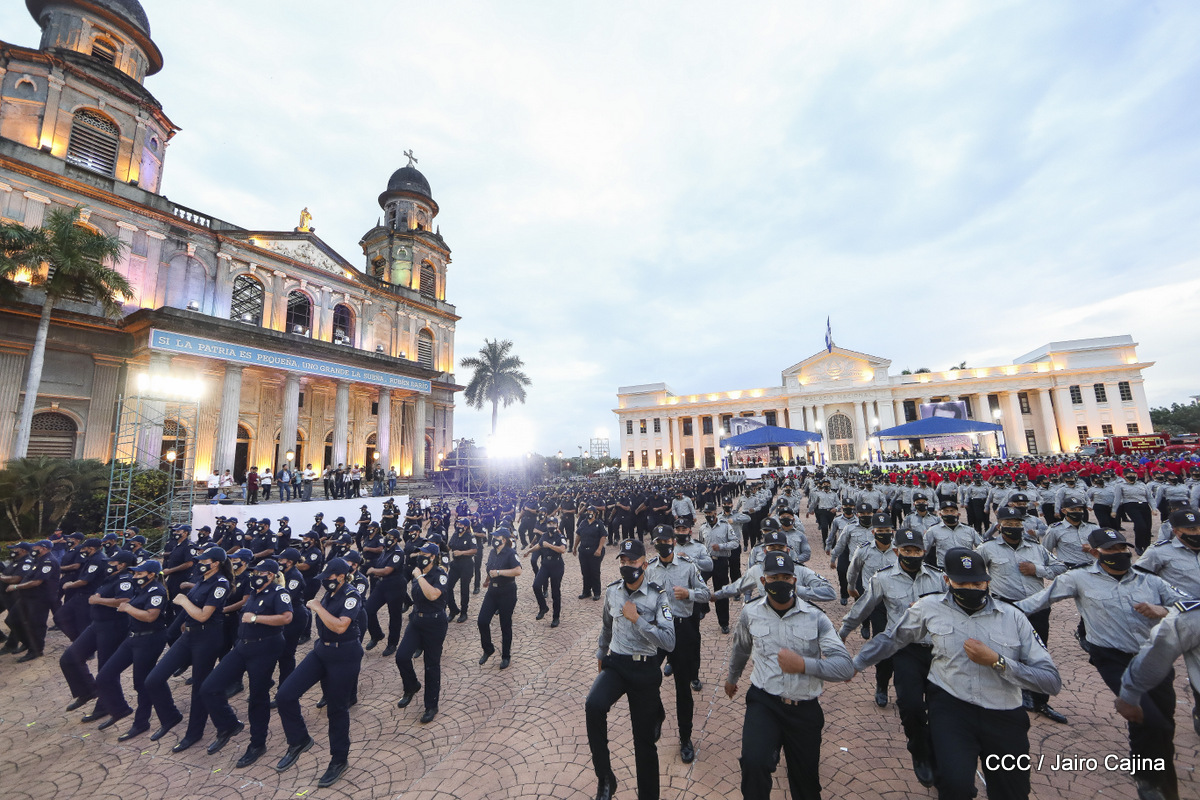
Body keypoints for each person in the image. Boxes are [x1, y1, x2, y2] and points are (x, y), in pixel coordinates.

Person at [854, 548, 1062, 800]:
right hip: (952, 708)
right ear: (947, 580)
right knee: (955, 786)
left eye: (978, 583)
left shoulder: (1013, 617)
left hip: (1004, 715)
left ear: (987, 582)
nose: (971, 589)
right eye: (962, 583)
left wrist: (998, 662)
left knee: (1012, 791)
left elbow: (1051, 681)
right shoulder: (929, 607)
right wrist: (855, 664)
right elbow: (892, 638)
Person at [1017, 529, 1188, 800]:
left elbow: (1189, 604)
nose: (1120, 554)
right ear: (1096, 553)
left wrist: (1164, 610)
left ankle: (1154, 776)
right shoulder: (1078, 578)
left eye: (1122, 548)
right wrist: (996, 612)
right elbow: (1037, 601)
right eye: (1112, 549)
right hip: (1113, 659)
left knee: (1163, 720)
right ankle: (1150, 781)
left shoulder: (1150, 581)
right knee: (1152, 720)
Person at [725, 550, 854, 800]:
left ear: (794, 580)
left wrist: (804, 665)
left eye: (786, 577)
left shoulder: (816, 617)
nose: (780, 582)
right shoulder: (750, 612)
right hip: (764, 701)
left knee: (806, 785)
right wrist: (732, 678)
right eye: (774, 578)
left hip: (804, 708)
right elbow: (741, 648)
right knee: (753, 763)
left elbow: (845, 667)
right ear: (763, 581)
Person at [837, 528, 943, 787]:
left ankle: (938, 753)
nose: (912, 555)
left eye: (916, 550)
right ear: (897, 551)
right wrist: (843, 632)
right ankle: (919, 751)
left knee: (941, 709)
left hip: (939, 650)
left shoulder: (939, 578)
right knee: (911, 705)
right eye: (906, 550)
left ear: (923, 551)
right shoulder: (883, 578)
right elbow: (863, 607)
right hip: (904, 649)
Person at [586, 539, 676, 800]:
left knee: (643, 742)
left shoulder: (658, 595)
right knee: (593, 705)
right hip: (617, 663)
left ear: (644, 564)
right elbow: (606, 625)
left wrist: (638, 620)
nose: (627, 566)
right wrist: (601, 653)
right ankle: (605, 777)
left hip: (645, 668)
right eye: (623, 561)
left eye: (632, 561)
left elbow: (669, 641)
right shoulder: (613, 591)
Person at [275, 557, 363, 788]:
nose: (325, 581)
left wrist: (318, 607)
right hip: (321, 651)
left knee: (337, 710)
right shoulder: (330, 593)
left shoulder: (352, 595)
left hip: (344, 655)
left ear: (342, 576)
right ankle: (299, 740)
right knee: (285, 695)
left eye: (329, 577)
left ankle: (339, 759)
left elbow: (341, 625)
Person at [976, 506, 1069, 723]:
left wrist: (1037, 570)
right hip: (1007, 607)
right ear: (999, 526)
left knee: (1038, 653)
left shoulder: (1036, 548)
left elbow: (1060, 567)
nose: (1014, 527)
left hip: (1037, 608)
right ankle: (1013, 696)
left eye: (1017, 524)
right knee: (1010, 651)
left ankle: (1040, 701)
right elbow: (973, 571)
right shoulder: (987, 548)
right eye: (1008, 524)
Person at [201, 559, 293, 767]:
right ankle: (229, 725)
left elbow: (286, 618)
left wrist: (255, 619)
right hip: (243, 646)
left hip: (264, 648)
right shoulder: (255, 591)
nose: (255, 575)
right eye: (254, 572)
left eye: (259, 572)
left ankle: (257, 744)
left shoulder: (279, 593)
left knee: (258, 698)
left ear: (270, 575)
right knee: (209, 687)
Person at [143, 547, 232, 752]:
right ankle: (170, 717)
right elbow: (194, 610)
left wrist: (183, 601)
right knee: (154, 679)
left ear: (216, 563)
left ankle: (194, 732)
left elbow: (203, 615)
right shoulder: (202, 579)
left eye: (204, 560)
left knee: (199, 688)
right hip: (189, 635)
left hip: (207, 637)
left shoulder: (221, 583)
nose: (200, 563)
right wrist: (183, 624)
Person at [646, 525, 709, 764]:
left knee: (683, 687)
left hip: (682, 630)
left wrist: (689, 593)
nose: (662, 544)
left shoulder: (688, 566)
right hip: (658, 631)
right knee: (647, 676)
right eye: (658, 541)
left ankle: (685, 738)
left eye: (666, 540)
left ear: (673, 541)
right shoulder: (649, 568)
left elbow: (706, 593)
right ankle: (657, 714)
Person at [93, 560, 170, 741]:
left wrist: (128, 608)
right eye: (135, 573)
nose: (135, 577)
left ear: (151, 575)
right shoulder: (140, 588)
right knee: (104, 675)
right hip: (133, 637)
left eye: (139, 573)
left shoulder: (157, 591)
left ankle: (141, 722)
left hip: (150, 639)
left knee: (141, 684)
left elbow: (151, 616)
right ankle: (119, 709)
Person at [395, 543, 449, 723]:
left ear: (433, 557)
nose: (420, 557)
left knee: (431, 665)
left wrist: (419, 577)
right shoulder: (418, 572)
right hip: (417, 621)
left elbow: (433, 595)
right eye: (419, 554)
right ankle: (411, 686)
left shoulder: (440, 575)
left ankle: (431, 706)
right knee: (402, 656)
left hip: (435, 623)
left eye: (424, 554)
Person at [5, 539, 60, 661]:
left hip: (40, 598)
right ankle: (27, 642)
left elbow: (36, 582)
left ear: (43, 548)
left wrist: (16, 586)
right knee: (12, 620)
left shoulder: (48, 562)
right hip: (27, 596)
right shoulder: (37, 560)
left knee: (36, 625)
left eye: (35, 547)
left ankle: (36, 650)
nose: (33, 549)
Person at [478, 528, 522, 669]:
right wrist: (487, 580)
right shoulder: (492, 552)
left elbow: (518, 570)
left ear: (504, 539)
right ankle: (488, 649)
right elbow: (490, 569)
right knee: (482, 621)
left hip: (507, 592)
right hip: (492, 591)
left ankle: (505, 656)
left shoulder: (510, 553)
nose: (494, 539)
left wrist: (499, 572)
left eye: (497, 537)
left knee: (505, 625)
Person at [365, 528, 409, 657]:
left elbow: (387, 570)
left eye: (390, 536)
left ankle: (392, 644)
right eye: (386, 536)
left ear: (396, 539)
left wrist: (373, 570)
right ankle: (377, 634)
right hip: (382, 585)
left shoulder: (397, 553)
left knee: (394, 616)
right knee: (368, 609)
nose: (387, 538)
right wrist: (378, 572)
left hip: (395, 587)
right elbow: (381, 568)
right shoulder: (385, 550)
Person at [526, 513, 568, 627]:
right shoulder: (544, 535)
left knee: (555, 593)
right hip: (545, 565)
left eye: (553, 523)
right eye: (549, 523)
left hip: (557, 566)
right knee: (536, 586)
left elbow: (562, 550)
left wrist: (549, 545)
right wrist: (529, 551)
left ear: (557, 525)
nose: (551, 525)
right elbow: (539, 545)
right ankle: (543, 607)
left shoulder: (560, 537)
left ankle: (556, 617)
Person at [446, 519, 477, 624]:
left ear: (466, 527)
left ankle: (464, 612)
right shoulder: (455, 535)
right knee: (447, 587)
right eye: (458, 524)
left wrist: (462, 552)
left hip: (466, 565)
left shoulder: (470, 537)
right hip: (455, 565)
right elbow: (449, 546)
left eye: (461, 524)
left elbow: (474, 550)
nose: (458, 526)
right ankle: (453, 610)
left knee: (464, 589)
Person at [576, 506, 607, 601]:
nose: (588, 513)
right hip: (583, 551)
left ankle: (597, 592)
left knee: (594, 572)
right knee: (585, 572)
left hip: (595, 552)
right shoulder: (583, 523)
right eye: (588, 511)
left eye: (590, 511)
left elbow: (603, 536)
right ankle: (586, 591)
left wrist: (599, 549)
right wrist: (574, 547)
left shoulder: (599, 523)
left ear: (595, 513)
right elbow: (578, 535)